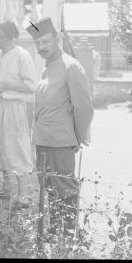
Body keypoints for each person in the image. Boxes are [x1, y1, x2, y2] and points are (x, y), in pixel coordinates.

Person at [26, 17, 94, 238]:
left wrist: (78, 138)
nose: (41, 47)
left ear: (58, 39)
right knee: (49, 187)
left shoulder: (70, 66)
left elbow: (84, 108)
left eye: (46, 41)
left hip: (61, 141)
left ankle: (69, 234)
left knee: (65, 188)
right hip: (43, 140)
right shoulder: (48, 67)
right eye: (38, 44)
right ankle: (55, 230)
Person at [0, 21, 36, 210]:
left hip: (13, 108)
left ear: (10, 37)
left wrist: (6, 86)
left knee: (16, 148)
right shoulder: (0, 56)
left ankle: (24, 195)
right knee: (0, 147)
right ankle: (7, 188)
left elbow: (30, 85)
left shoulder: (22, 55)